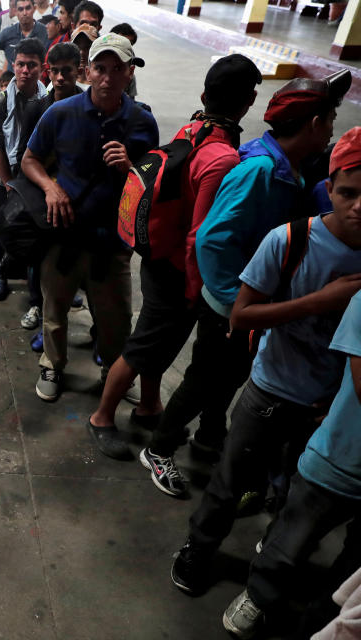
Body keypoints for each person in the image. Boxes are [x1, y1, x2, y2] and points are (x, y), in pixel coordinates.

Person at [170, 127, 361, 606]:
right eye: (348, 193)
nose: (359, 206)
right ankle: (199, 546)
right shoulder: (290, 240)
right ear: (331, 188)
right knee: (230, 479)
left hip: (328, 408)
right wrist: (323, 300)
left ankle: (268, 564)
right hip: (272, 390)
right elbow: (243, 315)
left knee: (295, 497)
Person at [146, 70, 351, 483]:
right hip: (228, 305)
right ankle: (159, 447)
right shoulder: (259, 170)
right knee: (201, 382)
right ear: (314, 125)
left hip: (248, 302)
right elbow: (211, 239)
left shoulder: (286, 164)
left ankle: (207, 437)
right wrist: (232, 300)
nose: (332, 130)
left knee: (229, 378)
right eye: (330, 121)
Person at [87, 55, 263, 471]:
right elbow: (200, 235)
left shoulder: (193, 127)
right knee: (143, 346)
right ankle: (102, 417)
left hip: (156, 256)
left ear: (204, 95)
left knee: (157, 342)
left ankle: (149, 407)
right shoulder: (221, 157)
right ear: (250, 101)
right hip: (177, 270)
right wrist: (193, 291)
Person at [20, 33, 159, 405]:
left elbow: (153, 180)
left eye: (118, 69)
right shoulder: (60, 113)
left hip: (112, 243)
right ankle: (53, 364)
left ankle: (113, 373)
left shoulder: (142, 121)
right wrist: (51, 188)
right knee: (55, 309)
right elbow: (29, 160)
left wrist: (131, 167)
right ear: (88, 71)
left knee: (115, 319)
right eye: (100, 68)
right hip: (65, 236)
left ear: (130, 73)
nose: (108, 78)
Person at [0, 37, 48, 304]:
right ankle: (0, 275)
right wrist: (9, 181)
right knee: (1, 224)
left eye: (31, 65)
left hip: (33, 178)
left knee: (34, 231)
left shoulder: (48, 102)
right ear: (13, 64)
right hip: (2, 176)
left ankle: (38, 286)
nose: (25, 71)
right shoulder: (0, 102)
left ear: (41, 68)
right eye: (20, 64)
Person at [0, 0, 48, 79]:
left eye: (28, 8)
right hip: (13, 84)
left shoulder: (45, 31)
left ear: (34, 8)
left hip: (38, 84)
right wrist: (1, 75)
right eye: (20, 9)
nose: (24, 13)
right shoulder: (8, 32)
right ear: (16, 12)